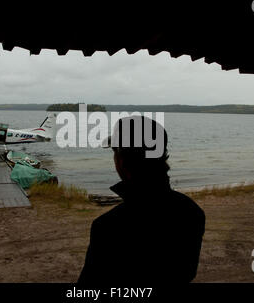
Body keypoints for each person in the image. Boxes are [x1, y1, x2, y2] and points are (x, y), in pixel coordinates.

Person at [78, 115, 205, 285]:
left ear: (122, 161)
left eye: (115, 151)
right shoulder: (192, 212)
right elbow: (187, 273)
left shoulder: (108, 227)